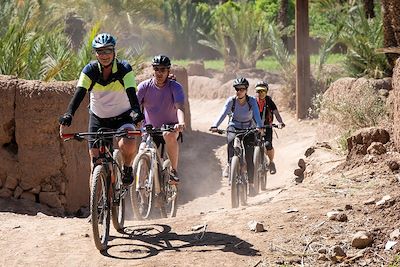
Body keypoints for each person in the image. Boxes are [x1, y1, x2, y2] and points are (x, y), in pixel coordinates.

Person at [58, 33, 143, 185]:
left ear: (114, 51)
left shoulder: (124, 69)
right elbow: (79, 94)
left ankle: (127, 167)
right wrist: (68, 114)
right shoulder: (90, 70)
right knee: (95, 164)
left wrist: (136, 111)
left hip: (122, 117)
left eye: (108, 51)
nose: (104, 55)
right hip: (98, 118)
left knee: (128, 144)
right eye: (100, 51)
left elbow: (131, 93)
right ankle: (96, 207)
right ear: (95, 53)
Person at [136, 54, 185, 185]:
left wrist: (181, 123)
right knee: (142, 152)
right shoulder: (144, 87)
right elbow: (134, 107)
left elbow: (179, 108)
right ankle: (141, 193)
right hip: (150, 130)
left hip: (170, 127)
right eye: (156, 69)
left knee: (168, 135)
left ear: (168, 71)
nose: (159, 72)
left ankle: (174, 171)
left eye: (163, 70)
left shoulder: (175, 87)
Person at [210, 77, 263, 196]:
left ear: (246, 90)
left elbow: (256, 115)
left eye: (241, 89)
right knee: (230, 140)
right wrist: (215, 125)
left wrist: (259, 126)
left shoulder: (252, 101)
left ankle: (251, 185)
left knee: (249, 157)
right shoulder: (231, 101)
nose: (239, 91)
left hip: (249, 128)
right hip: (234, 126)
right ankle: (230, 165)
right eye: (237, 89)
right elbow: (223, 113)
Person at [254, 81, 285, 174]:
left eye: (263, 91)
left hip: (267, 126)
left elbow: (276, 112)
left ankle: (271, 163)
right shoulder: (253, 101)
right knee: (250, 145)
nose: (261, 93)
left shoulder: (269, 101)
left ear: (266, 91)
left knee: (268, 144)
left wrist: (280, 122)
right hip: (255, 127)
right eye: (259, 91)